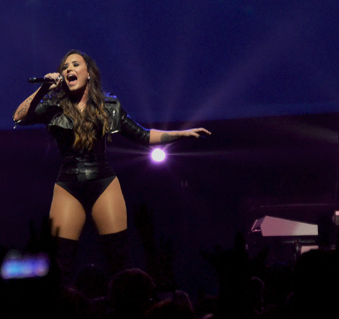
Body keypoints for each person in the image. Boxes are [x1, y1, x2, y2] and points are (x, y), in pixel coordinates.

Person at [13, 49, 210, 281]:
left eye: (75, 65)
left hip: (103, 182)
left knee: (118, 257)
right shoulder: (53, 106)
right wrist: (45, 88)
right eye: (65, 67)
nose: (68, 70)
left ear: (89, 73)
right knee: (60, 260)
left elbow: (143, 135)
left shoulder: (109, 106)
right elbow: (19, 117)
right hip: (67, 184)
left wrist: (181, 134)